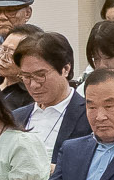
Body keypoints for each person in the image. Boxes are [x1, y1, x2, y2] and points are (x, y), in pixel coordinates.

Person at [14, 30, 88, 160]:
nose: (33, 85)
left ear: (65, 69)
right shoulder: (15, 117)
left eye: (40, 75)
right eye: (26, 76)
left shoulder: (88, 114)